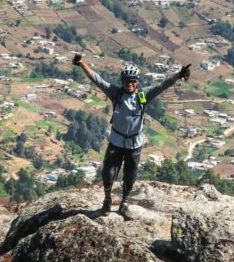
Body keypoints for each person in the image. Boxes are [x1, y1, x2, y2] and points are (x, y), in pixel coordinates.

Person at [73, 54, 191, 215]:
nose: (130, 84)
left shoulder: (143, 95)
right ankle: (107, 199)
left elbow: (162, 85)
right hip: (116, 141)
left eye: (133, 81)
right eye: (127, 81)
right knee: (108, 173)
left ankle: (125, 202)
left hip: (134, 143)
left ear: (138, 82)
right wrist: (81, 64)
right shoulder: (116, 93)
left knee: (130, 174)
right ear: (122, 81)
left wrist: (179, 75)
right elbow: (97, 79)